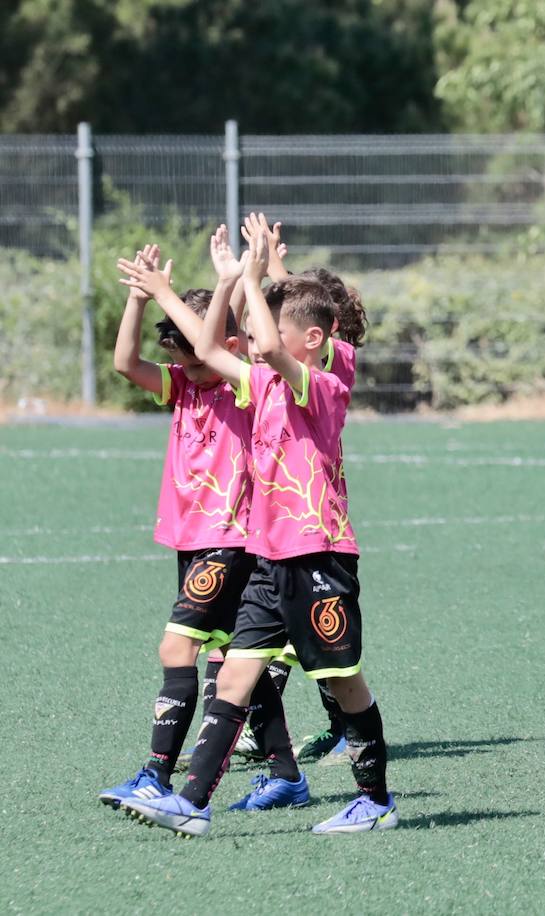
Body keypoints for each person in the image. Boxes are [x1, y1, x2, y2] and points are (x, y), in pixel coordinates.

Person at [122, 230, 396, 835]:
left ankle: (374, 801)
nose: (250, 340)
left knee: (344, 680)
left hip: (319, 557)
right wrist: (218, 283)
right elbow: (212, 346)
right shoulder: (259, 385)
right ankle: (190, 802)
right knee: (238, 671)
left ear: (314, 340)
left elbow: (269, 348)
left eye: (266, 328)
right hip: (270, 559)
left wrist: (251, 277)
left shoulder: (321, 387)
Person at [98, 244, 260, 809]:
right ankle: (286, 772)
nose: (190, 369)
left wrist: (231, 288)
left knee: (177, 649)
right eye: (184, 361)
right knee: (238, 659)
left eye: (196, 359)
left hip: (227, 535)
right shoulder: (185, 385)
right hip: (191, 538)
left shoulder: (244, 387)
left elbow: (215, 343)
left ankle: (156, 775)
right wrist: (139, 302)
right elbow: (125, 364)